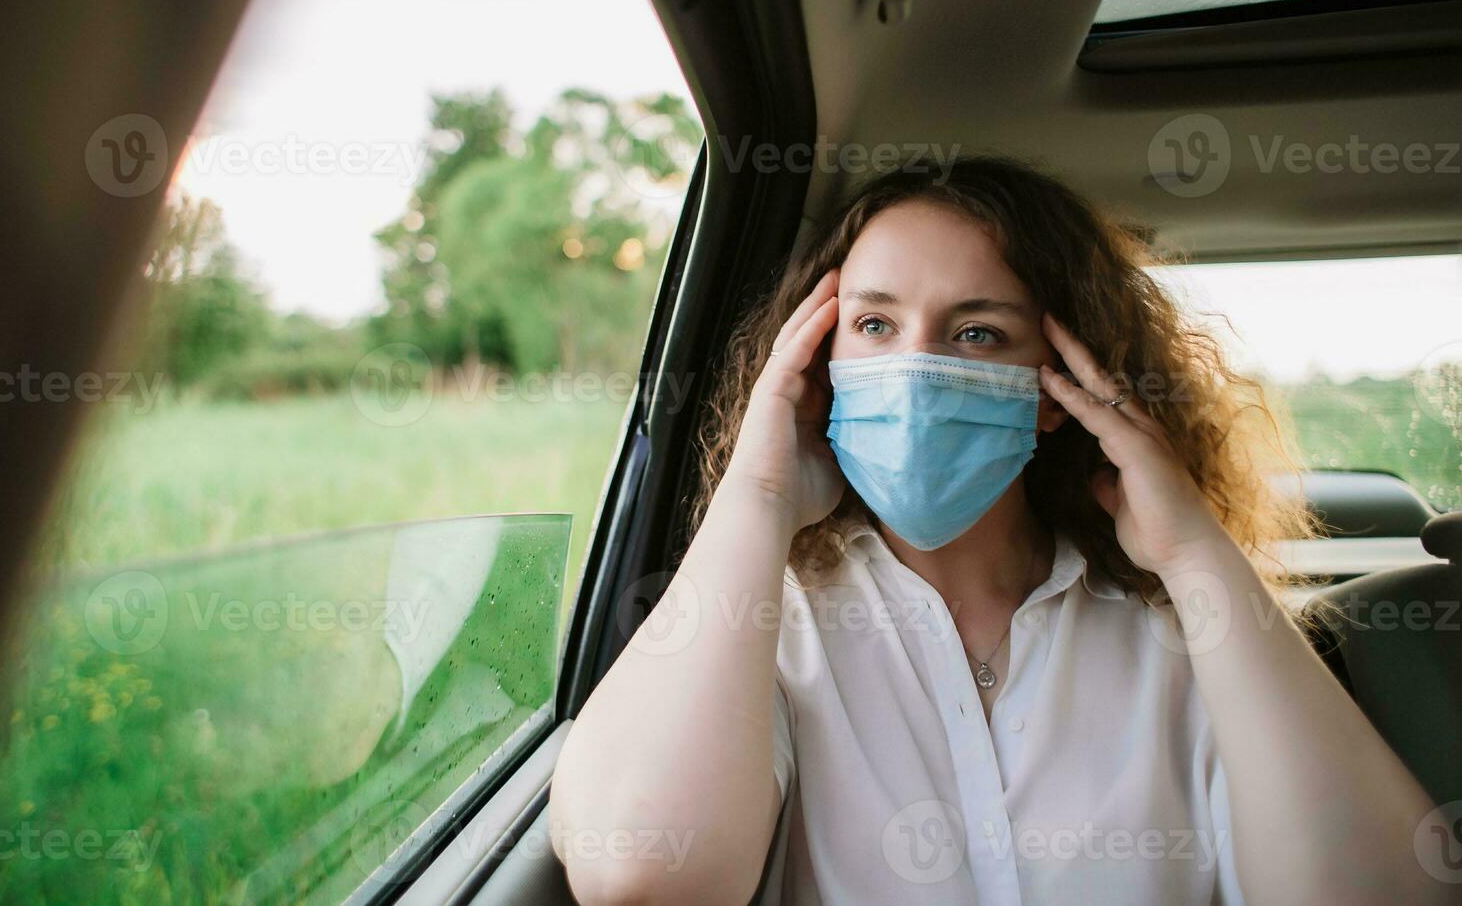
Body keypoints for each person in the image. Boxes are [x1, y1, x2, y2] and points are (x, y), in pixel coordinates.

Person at [549, 157, 1445, 905]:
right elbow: (641, 874)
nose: (917, 368)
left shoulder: (1182, 639)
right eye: (874, 325)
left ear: (1062, 390)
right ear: (818, 364)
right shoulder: (762, 637)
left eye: (977, 333)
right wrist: (754, 495)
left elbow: (1384, 894)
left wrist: (1197, 554)